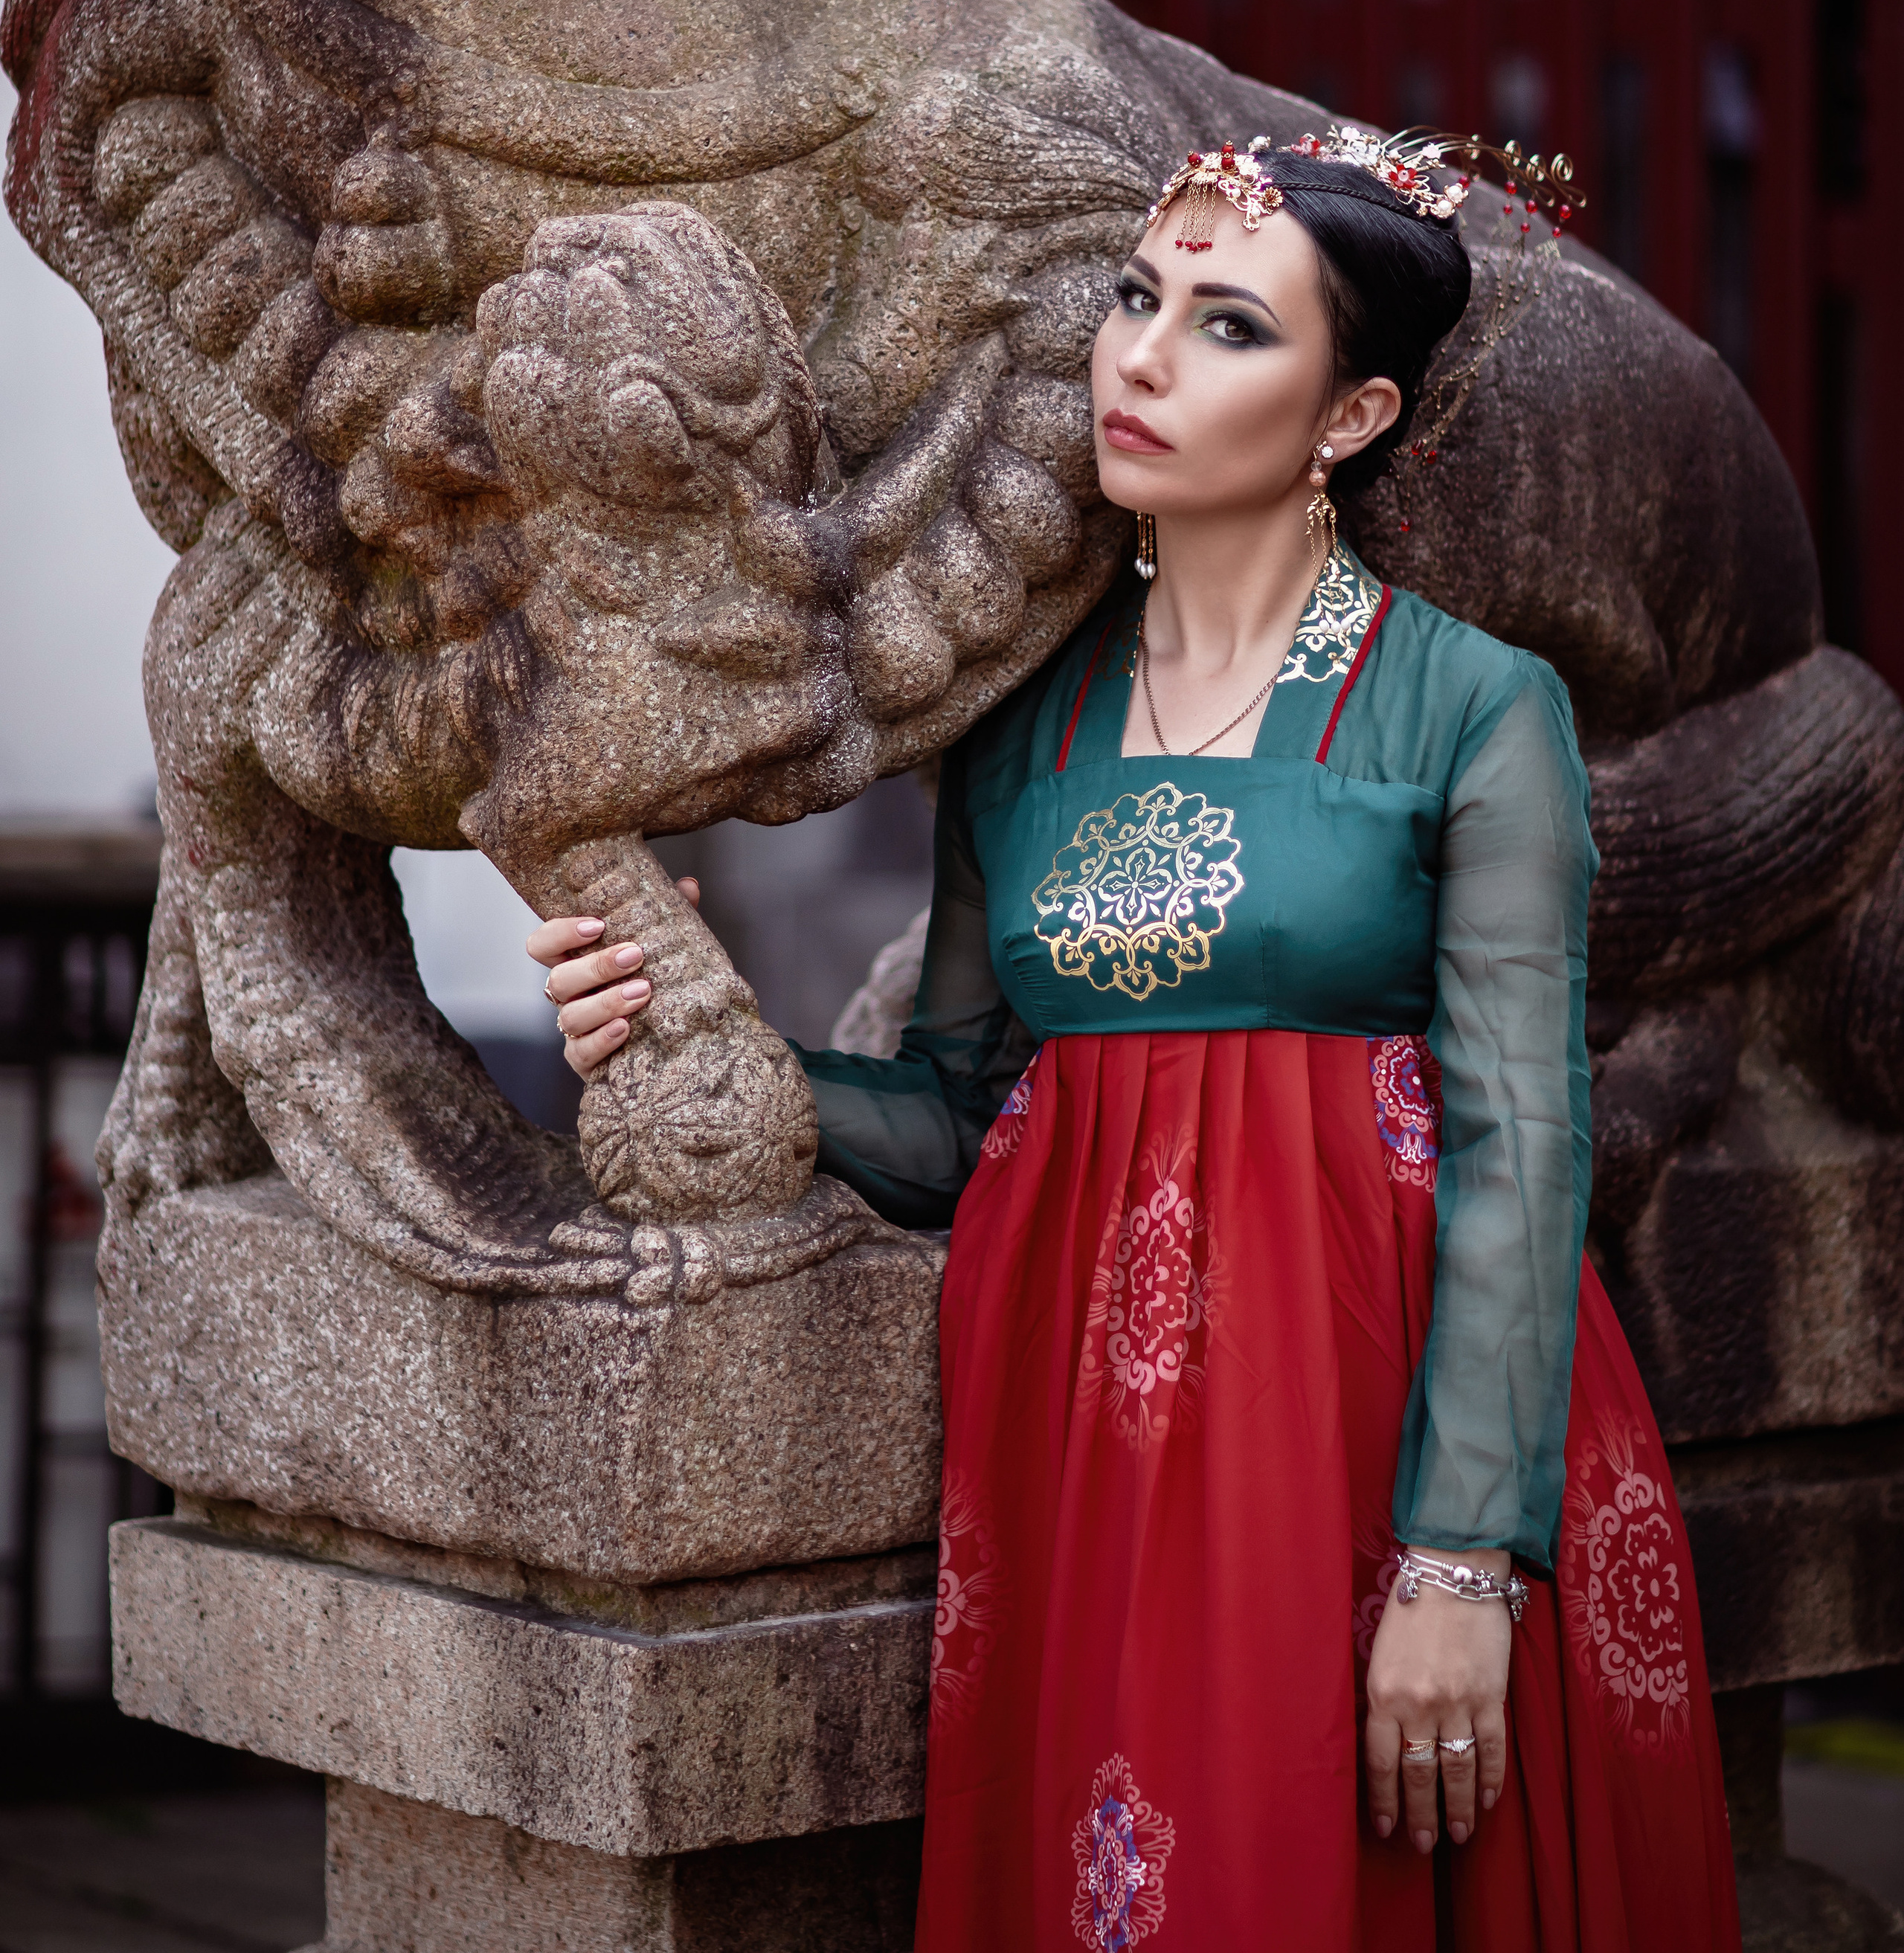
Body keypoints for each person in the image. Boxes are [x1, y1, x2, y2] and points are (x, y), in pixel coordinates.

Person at [531, 129, 1742, 1952]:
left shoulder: (1473, 708)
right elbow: (962, 1115)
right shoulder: (1018, 726)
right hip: (1082, 1457)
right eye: (1132, 298)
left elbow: (1523, 1143)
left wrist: (1458, 1564)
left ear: (1350, 415)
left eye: (1227, 324)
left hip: (1376, 1439)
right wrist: (707, 1045)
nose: (1140, 358)